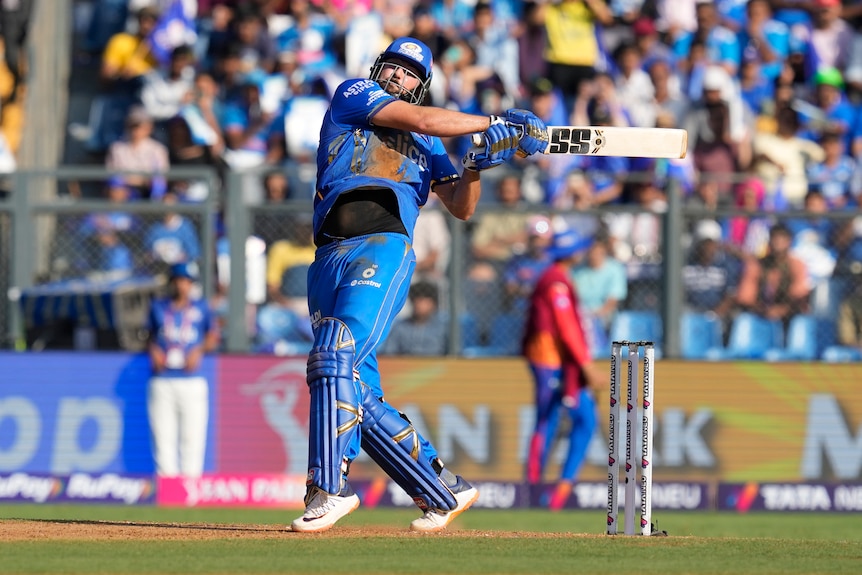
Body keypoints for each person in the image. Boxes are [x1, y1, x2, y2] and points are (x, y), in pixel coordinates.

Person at [290, 37, 548, 533]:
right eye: (394, 67)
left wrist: (477, 163)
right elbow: (428, 121)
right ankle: (443, 490)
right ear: (378, 68)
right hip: (328, 256)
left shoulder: (429, 143)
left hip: (381, 247)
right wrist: (497, 123)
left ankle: (326, 489)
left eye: (410, 74)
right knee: (354, 391)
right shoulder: (354, 94)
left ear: (421, 84)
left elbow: (462, 206)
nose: (399, 77)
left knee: (334, 354)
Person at [521, 228, 604, 511]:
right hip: (551, 362)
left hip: (561, 363)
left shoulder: (557, 278)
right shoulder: (555, 281)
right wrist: (587, 366)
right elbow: (566, 326)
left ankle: (559, 489)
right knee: (548, 421)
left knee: (583, 419)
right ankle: (534, 491)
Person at [147, 262, 220, 477]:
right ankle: (167, 489)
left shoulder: (201, 308)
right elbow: (149, 335)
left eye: (186, 281)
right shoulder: (158, 307)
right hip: (163, 377)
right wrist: (153, 350)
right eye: (178, 280)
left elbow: (212, 336)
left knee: (192, 436)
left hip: (191, 378)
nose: (182, 286)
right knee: (162, 436)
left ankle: (190, 488)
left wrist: (199, 350)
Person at [381, 281, 448, 356]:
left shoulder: (444, 327)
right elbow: (389, 353)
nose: (419, 305)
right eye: (416, 300)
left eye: (424, 300)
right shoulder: (400, 327)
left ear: (434, 303)